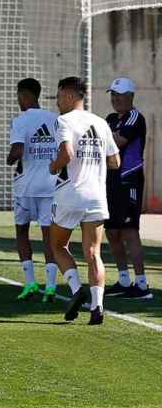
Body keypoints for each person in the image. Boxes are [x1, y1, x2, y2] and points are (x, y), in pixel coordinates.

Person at [48, 76, 120, 325]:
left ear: (68, 96)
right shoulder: (101, 122)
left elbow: (66, 154)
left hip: (70, 192)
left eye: (58, 96)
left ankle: (77, 289)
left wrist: (52, 166)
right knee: (93, 253)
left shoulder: (64, 121)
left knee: (58, 246)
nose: (57, 102)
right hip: (97, 195)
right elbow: (115, 161)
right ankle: (98, 306)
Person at [7, 78, 60, 302]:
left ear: (23, 95)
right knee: (49, 236)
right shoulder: (55, 119)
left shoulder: (20, 120)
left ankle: (30, 283)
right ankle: (50, 286)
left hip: (26, 187)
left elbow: (18, 150)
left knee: (22, 231)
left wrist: (10, 159)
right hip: (50, 186)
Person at [103, 77, 152, 299]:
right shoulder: (110, 119)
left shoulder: (135, 118)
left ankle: (142, 284)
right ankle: (124, 280)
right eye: (113, 94)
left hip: (128, 181)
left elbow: (118, 142)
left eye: (119, 95)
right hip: (109, 181)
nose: (115, 99)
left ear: (130, 97)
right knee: (112, 231)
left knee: (130, 231)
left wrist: (100, 135)